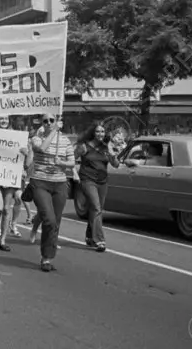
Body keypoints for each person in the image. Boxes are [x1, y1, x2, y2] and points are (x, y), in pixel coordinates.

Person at [29, 113, 75, 272]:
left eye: (51, 120)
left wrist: (61, 162)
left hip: (60, 183)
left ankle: (47, 258)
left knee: (56, 221)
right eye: (45, 121)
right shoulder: (37, 137)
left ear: (57, 121)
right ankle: (45, 252)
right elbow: (41, 148)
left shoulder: (65, 140)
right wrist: (54, 131)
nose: (48, 123)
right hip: (40, 182)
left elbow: (72, 162)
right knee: (48, 219)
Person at [75, 122, 123, 253]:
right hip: (87, 180)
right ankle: (99, 240)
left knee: (97, 209)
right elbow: (71, 159)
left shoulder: (107, 147)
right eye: (97, 131)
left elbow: (116, 165)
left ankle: (90, 237)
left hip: (102, 182)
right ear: (93, 133)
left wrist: (113, 154)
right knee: (96, 208)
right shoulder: (84, 147)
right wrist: (74, 174)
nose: (100, 134)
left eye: (102, 132)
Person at [0, 116, 27, 253]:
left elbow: (22, 159)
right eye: (2, 119)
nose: (4, 121)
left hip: (9, 177)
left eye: (6, 119)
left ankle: (2, 240)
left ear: (10, 121)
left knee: (7, 209)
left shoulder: (16, 136)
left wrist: (25, 153)